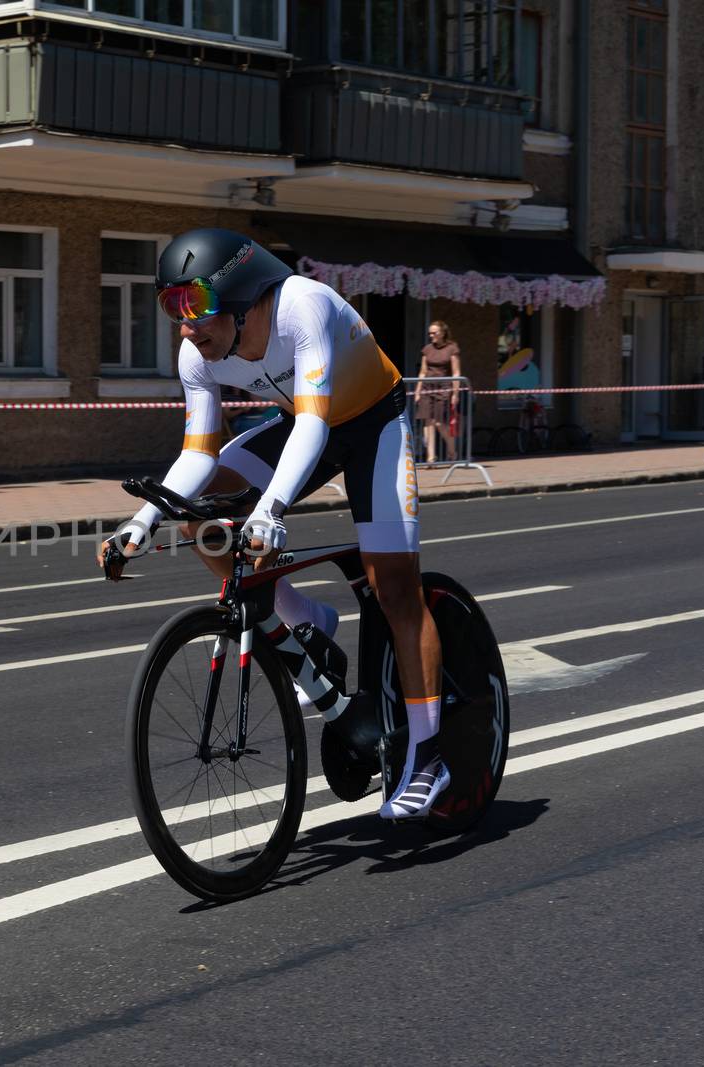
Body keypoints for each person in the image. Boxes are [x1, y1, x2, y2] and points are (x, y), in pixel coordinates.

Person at [95, 228, 448, 820]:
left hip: (371, 426)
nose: (185, 328)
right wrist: (143, 520)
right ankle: (303, 618)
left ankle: (429, 758)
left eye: (195, 308)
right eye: (171, 308)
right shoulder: (196, 353)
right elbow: (199, 454)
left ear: (239, 297)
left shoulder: (301, 306)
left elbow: (317, 423)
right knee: (201, 517)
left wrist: (269, 512)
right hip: (302, 422)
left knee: (394, 588)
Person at [414, 321, 461, 463]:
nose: (431, 335)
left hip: (444, 388)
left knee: (440, 423)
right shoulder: (427, 349)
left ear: (442, 333)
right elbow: (423, 371)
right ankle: (431, 457)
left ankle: (452, 449)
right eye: (430, 333)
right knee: (428, 422)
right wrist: (417, 390)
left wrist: (456, 393)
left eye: (434, 333)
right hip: (427, 388)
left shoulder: (452, 348)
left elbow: (456, 372)